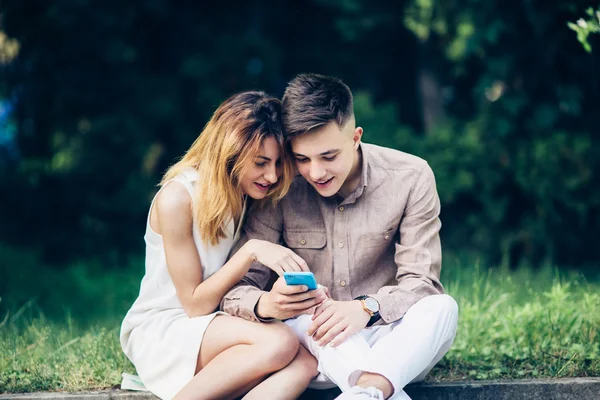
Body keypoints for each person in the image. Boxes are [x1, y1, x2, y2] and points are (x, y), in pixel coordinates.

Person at [221, 74, 459, 400]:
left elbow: (420, 283)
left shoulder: (411, 177)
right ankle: (371, 391)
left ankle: (367, 390)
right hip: (318, 345)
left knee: (442, 308)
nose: (315, 172)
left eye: (328, 156)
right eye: (302, 158)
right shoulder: (280, 186)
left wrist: (365, 308)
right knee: (312, 319)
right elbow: (235, 290)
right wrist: (268, 303)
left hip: (393, 342)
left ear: (355, 137)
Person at [120, 91, 325, 400]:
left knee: (306, 363)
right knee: (280, 343)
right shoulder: (178, 198)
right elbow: (193, 305)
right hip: (166, 327)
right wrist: (251, 251)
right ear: (230, 151)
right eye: (260, 163)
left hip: (218, 323)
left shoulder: (245, 192)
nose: (271, 175)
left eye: (278, 163)